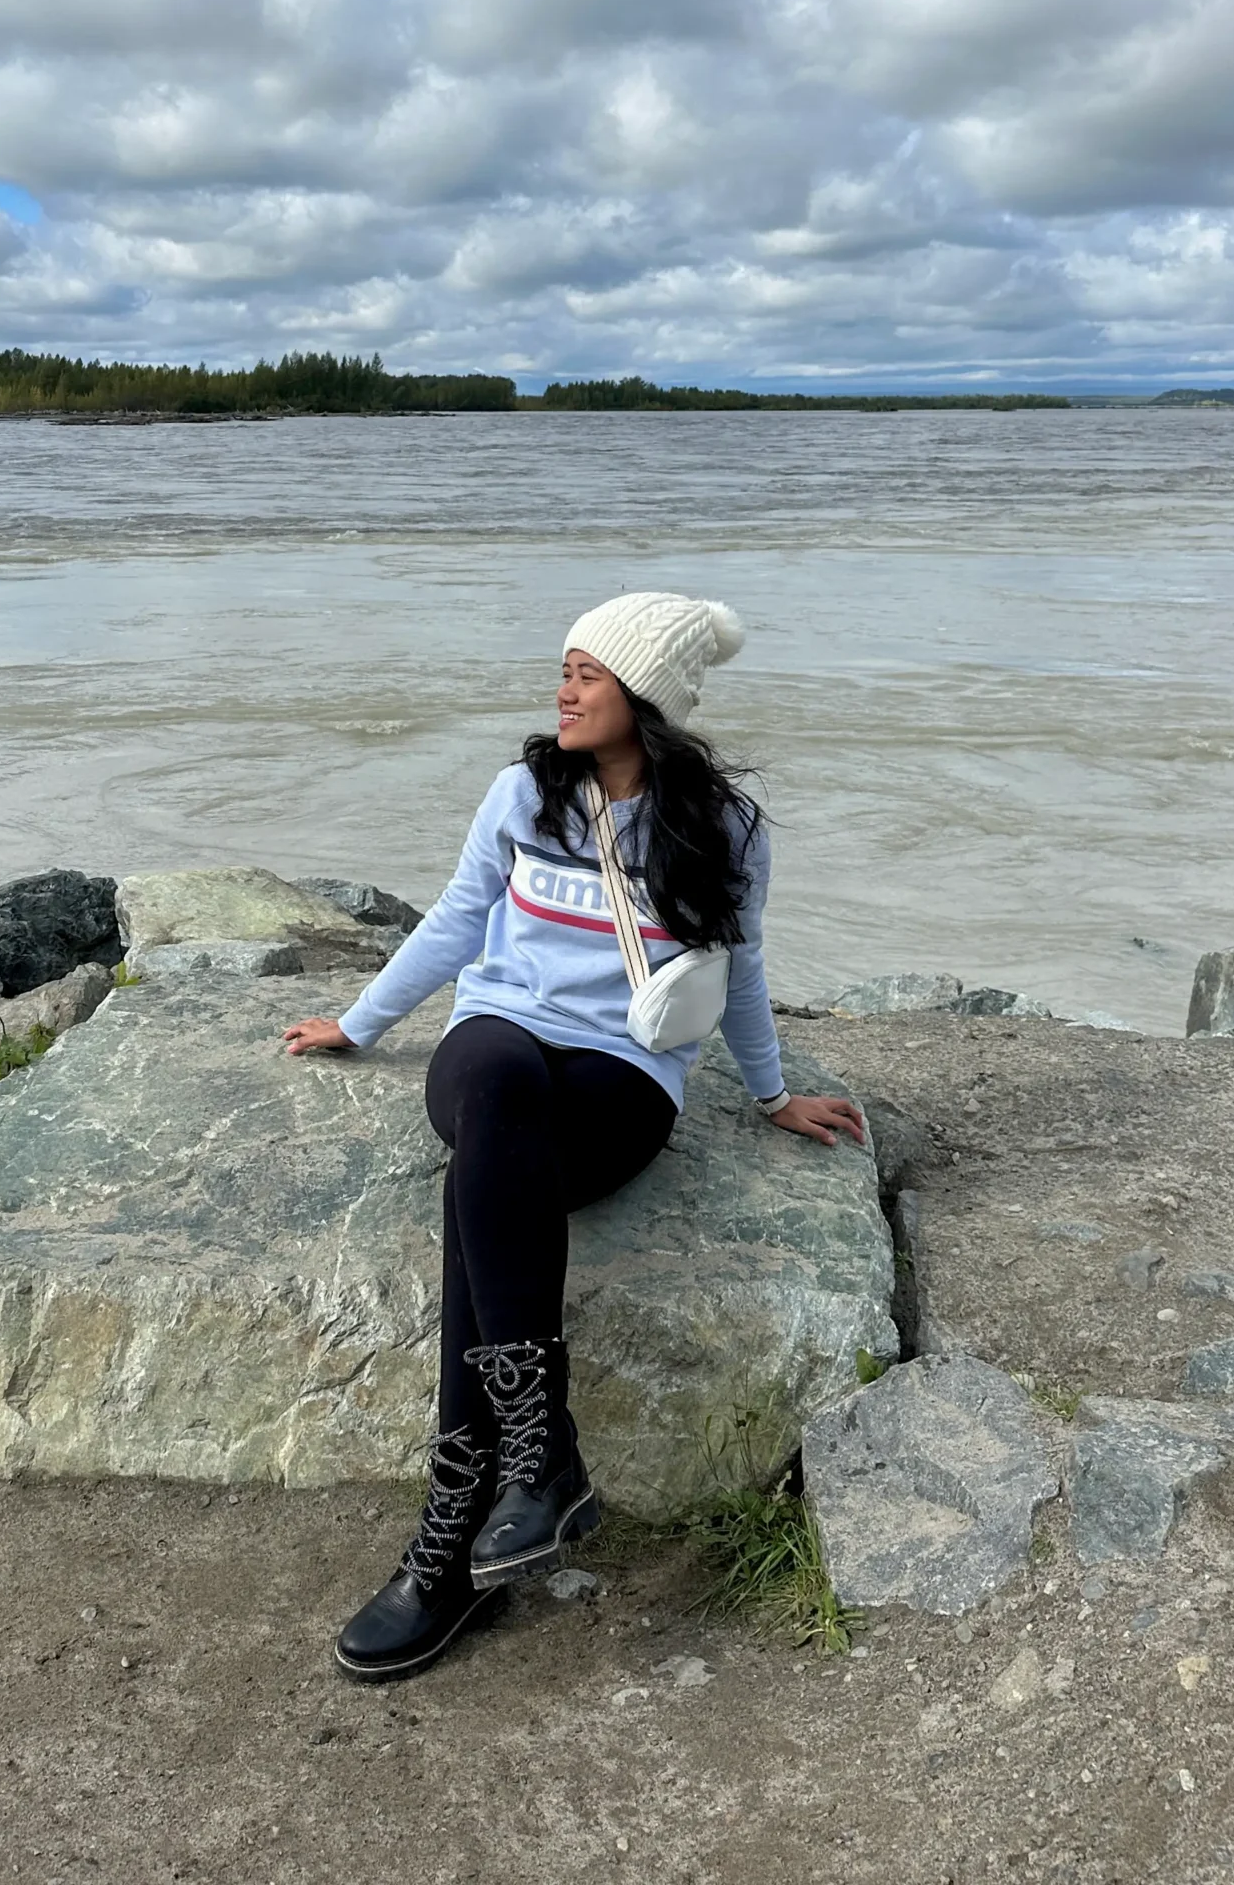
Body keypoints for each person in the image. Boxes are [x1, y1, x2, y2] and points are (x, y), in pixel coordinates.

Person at [282, 589, 866, 1682]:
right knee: (496, 1096)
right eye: (564, 668)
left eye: (586, 673)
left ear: (643, 695)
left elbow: (736, 970)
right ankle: (538, 1454)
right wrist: (360, 1022)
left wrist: (771, 1090)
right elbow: (459, 918)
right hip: (495, 1044)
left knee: (482, 1189)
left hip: (622, 1076)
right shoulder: (521, 794)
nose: (562, 689)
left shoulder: (723, 829)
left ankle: (450, 1539)